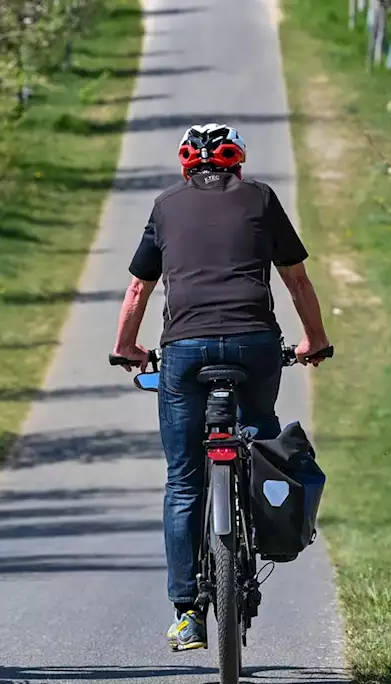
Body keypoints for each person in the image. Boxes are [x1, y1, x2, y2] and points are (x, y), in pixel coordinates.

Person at [111, 123, 331, 652]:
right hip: (256, 346)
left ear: (188, 166)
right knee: (261, 440)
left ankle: (186, 612)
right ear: (237, 164)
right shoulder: (262, 198)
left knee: (184, 479)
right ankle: (257, 529)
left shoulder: (165, 206)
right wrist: (315, 341)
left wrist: (127, 348)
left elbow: (140, 286)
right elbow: (295, 279)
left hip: (184, 352)